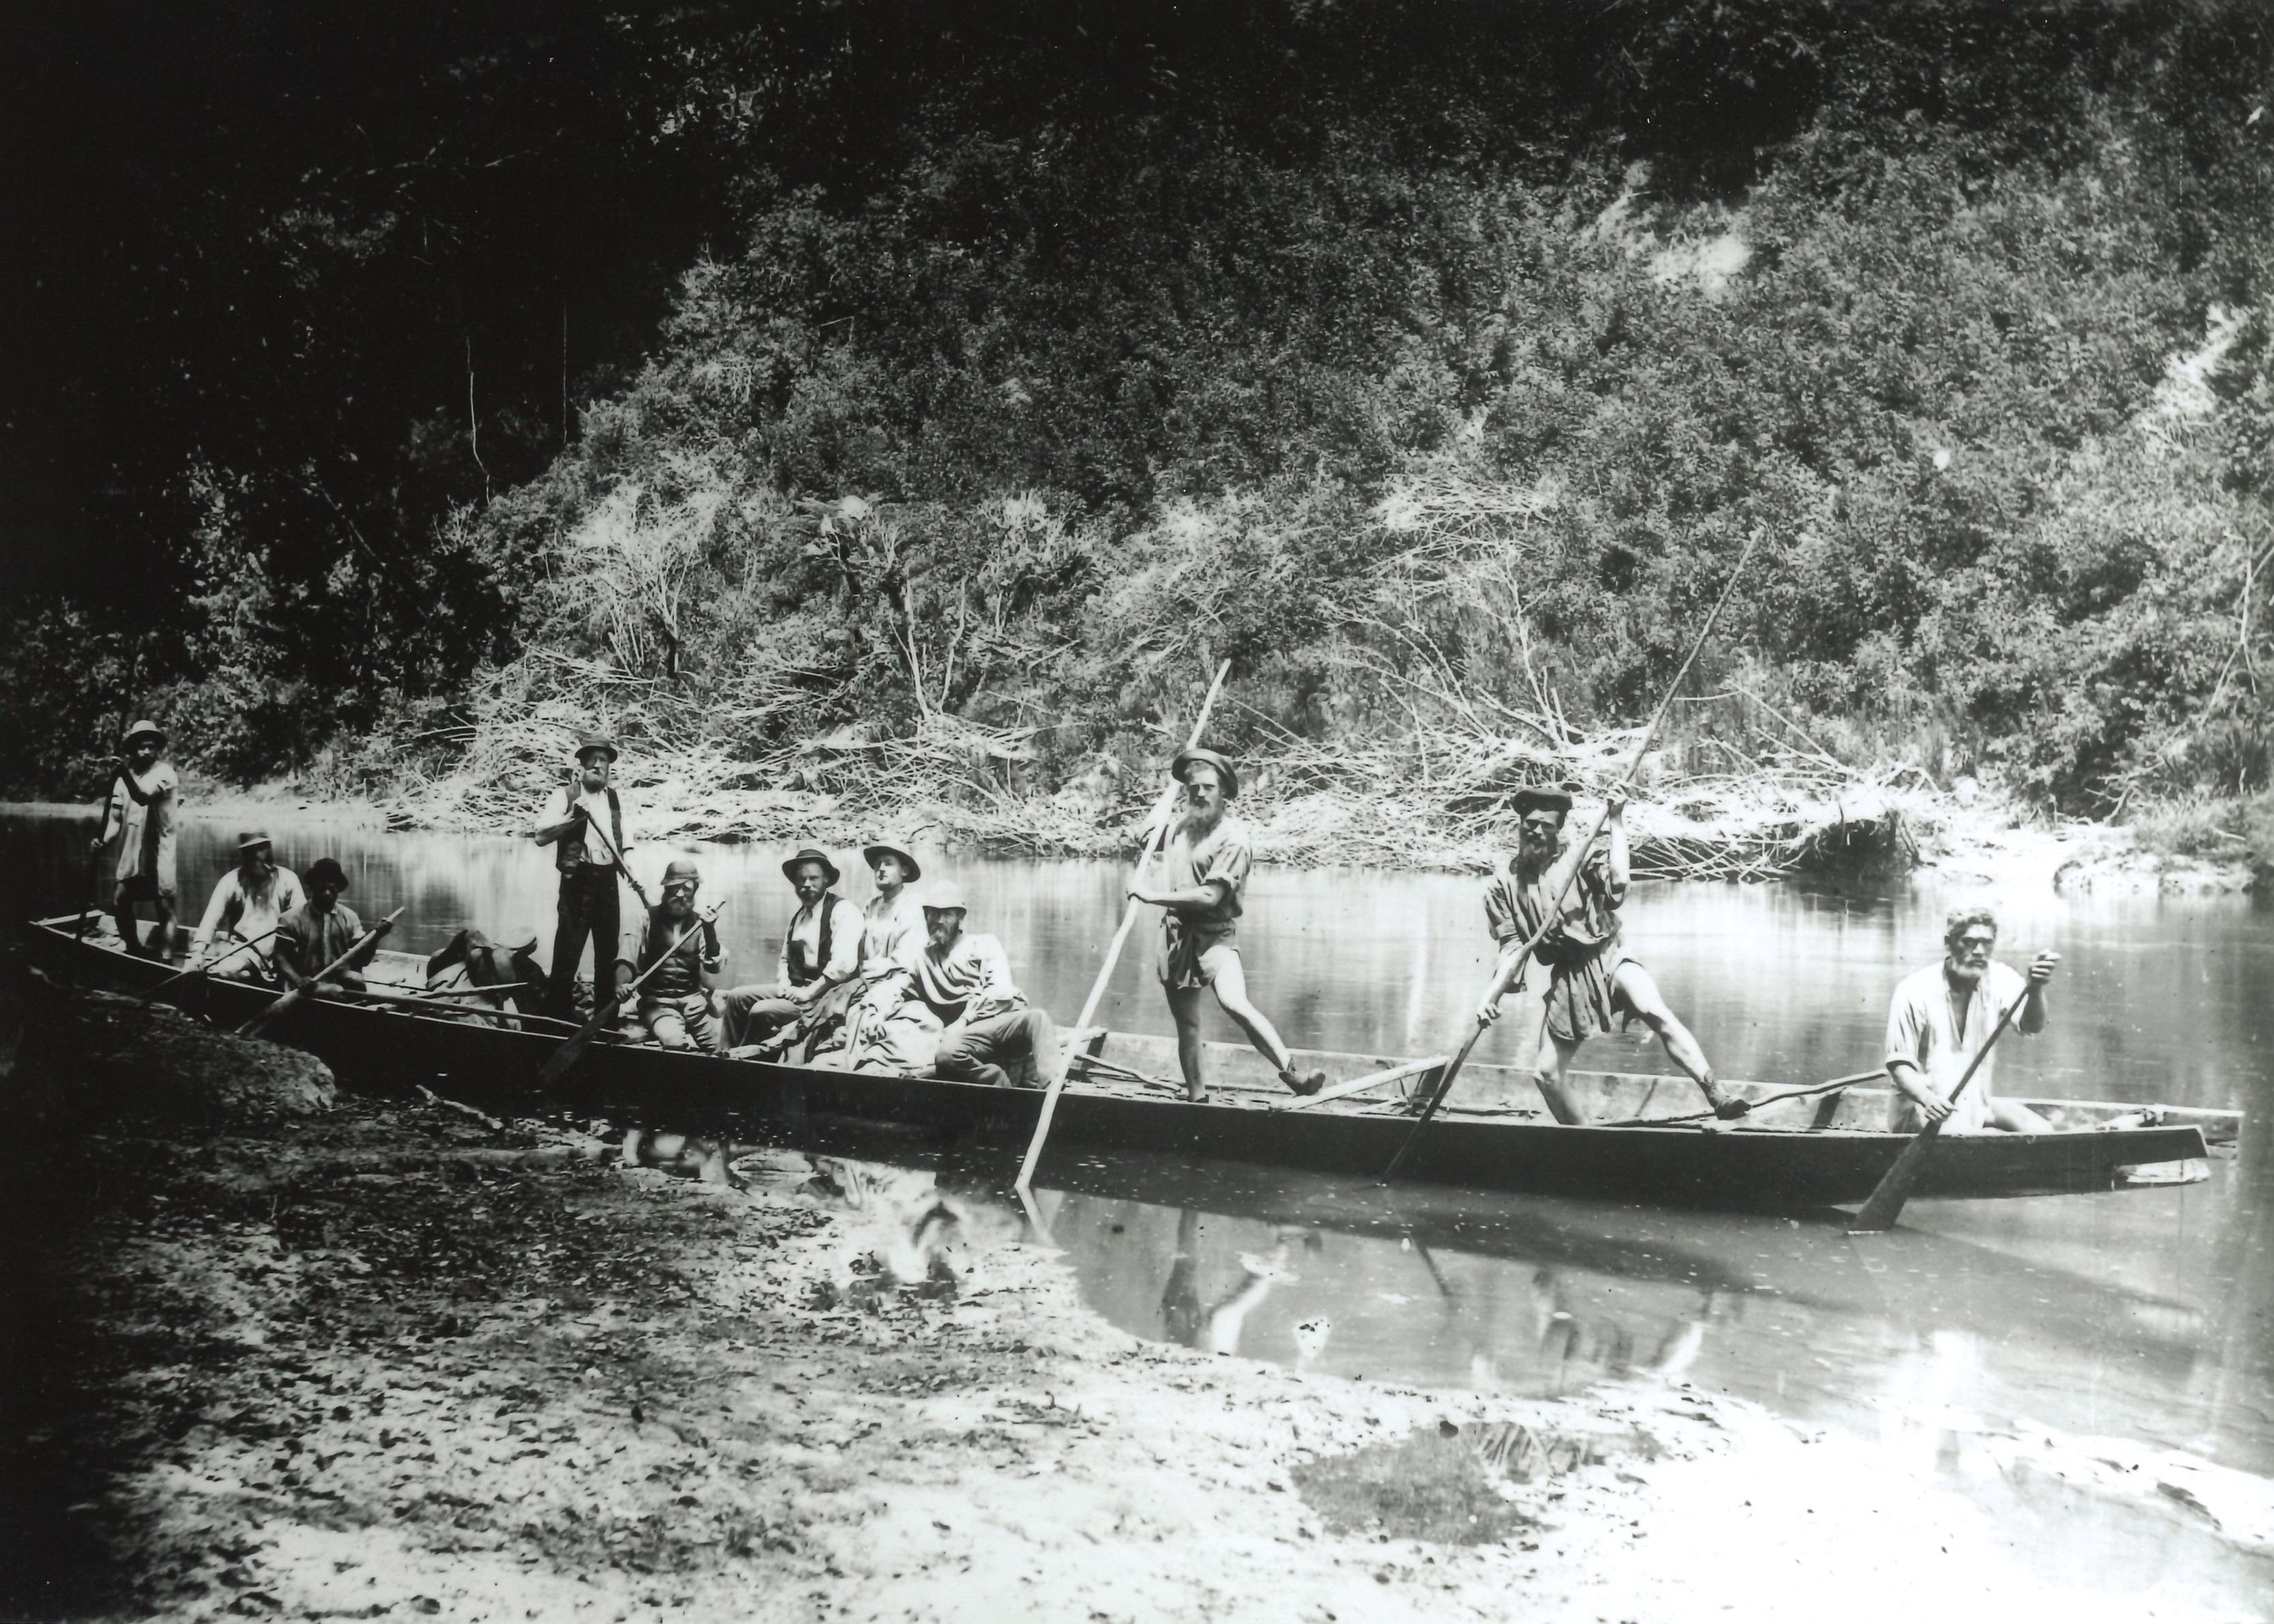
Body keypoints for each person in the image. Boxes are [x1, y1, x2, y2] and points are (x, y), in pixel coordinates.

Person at [1478, 787, 1740, 1123]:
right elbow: (1513, 950)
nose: (1537, 832)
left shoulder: (1579, 858)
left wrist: (1616, 821)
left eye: (1547, 826)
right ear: (1520, 825)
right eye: (1531, 824)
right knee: (1546, 1074)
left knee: (1652, 1008)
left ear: (1558, 831)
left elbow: (1619, 883)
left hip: (1608, 955)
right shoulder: (1503, 885)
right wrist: (1490, 997)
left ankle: (1717, 1094)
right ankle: (1586, 1139)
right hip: (1569, 977)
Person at [1128, 746, 1324, 1101]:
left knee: (1234, 1002)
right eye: (1193, 788)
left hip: (1215, 936)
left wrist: (1150, 896)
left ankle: (1294, 1074)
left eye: (1208, 788)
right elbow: (1144, 838)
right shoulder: (1180, 829)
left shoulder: (1235, 838)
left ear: (1224, 794)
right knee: (1187, 1025)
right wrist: (1170, 790)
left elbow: (1209, 897)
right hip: (1176, 938)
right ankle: (1197, 1099)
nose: (1199, 794)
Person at [1884, 907, 2058, 1133]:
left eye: (1987, 943)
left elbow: (2032, 1025)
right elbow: (1900, 1065)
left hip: (1975, 1106)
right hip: (1922, 1112)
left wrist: (2035, 988)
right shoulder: (1914, 990)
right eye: (1969, 942)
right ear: (1949, 943)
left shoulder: (1999, 978)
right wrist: (1928, 1099)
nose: (1979, 951)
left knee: (2043, 1132)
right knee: (1985, 1137)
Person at [903, 882, 1069, 1090]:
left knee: (1038, 1018)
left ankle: (1053, 1090)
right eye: (932, 914)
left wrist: (964, 1020)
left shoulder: (983, 944)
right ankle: (994, 1078)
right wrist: (874, 1008)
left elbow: (1001, 992)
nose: (938, 921)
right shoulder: (923, 959)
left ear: (960, 918)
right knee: (946, 1054)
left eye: (946, 915)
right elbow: (900, 990)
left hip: (1001, 1022)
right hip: (972, 1037)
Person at [720, 847, 862, 1056]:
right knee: (736, 997)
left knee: (761, 1011)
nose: (806, 885)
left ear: (826, 880)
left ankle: (747, 1061)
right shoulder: (799, 917)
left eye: (813, 878)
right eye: (801, 879)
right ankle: (723, 1056)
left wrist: (808, 992)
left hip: (824, 998)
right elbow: (785, 960)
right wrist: (784, 983)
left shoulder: (843, 911)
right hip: (797, 990)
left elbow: (843, 966)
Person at [533, 734, 631, 1019]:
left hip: (609, 882)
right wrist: (571, 819)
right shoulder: (565, 796)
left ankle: (604, 1022)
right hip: (577, 884)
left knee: (608, 957)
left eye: (603, 761)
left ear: (610, 769)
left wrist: (631, 869)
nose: (598, 766)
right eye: (592, 761)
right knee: (567, 955)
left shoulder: (615, 799)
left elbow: (627, 842)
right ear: (581, 766)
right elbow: (540, 836)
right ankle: (556, 1021)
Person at [616, 857, 725, 1052]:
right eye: (673, 888)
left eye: (686, 889)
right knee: (674, 1042)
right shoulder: (645, 918)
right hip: (658, 1003)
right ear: (665, 890)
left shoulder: (702, 924)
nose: (679, 894)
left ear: (694, 892)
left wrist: (710, 931)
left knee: (722, 1047)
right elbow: (626, 957)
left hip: (696, 1001)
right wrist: (622, 985)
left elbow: (714, 966)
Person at [836, 837, 929, 1065]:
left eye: (888, 863)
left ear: (904, 871)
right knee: (830, 1003)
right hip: (867, 978)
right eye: (877, 864)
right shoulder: (871, 905)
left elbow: (906, 960)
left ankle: (855, 1066)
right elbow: (859, 951)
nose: (880, 869)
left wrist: (867, 972)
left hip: (899, 981)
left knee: (867, 1013)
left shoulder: (914, 905)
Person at [91, 720, 180, 957]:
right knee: (120, 902)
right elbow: (115, 820)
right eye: (142, 747)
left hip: (160, 853)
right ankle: (133, 951)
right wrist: (104, 841)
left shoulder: (165, 773)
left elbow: (143, 797)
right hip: (132, 855)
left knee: (164, 907)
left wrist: (123, 772)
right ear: (133, 750)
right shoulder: (121, 781)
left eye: (151, 747)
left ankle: (167, 960)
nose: (147, 752)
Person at [190, 830, 304, 979]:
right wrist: (198, 952)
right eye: (251, 851)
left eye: (262, 849)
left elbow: (303, 921)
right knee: (227, 970)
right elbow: (211, 919)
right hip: (243, 952)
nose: (258, 856)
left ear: (270, 849)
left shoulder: (288, 879)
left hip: (280, 956)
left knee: (244, 975)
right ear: (244, 855)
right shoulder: (231, 881)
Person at [273, 858, 375, 991]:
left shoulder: (349, 917)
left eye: (332, 889)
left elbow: (362, 961)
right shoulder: (291, 919)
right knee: (335, 991)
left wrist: (376, 938)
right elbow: (279, 957)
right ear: (313, 886)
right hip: (305, 983)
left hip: (337, 977)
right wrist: (297, 979)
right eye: (322, 888)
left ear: (338, 889)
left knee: (358, 981)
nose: (327, 893)